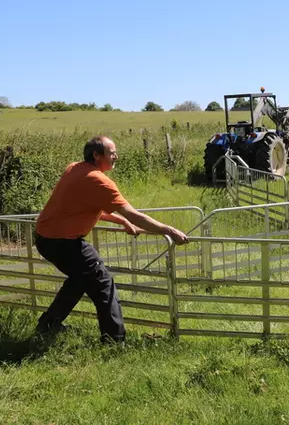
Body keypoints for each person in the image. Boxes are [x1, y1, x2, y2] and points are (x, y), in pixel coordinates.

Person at [34, 135, 189, 342]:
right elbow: (134, 215)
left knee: (80, 280)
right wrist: (167, 230)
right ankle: (114, 340)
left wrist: (121, 222)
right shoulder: (99, 181)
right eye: (112, 152)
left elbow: (88, 207)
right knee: (103, 283)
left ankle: (48, 326)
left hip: (46, 238)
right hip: (63, 241)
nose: (116, 156)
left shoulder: (75, 168)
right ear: (97, 155)